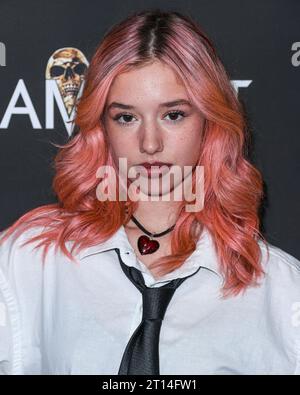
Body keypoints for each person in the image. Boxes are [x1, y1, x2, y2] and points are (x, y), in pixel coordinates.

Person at [0, 8, 299, 375]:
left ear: (211, 119)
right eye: (126, 117)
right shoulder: (28, 264)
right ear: (101, 127)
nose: (150, 143)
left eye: (173, 114)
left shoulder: (282, 295)